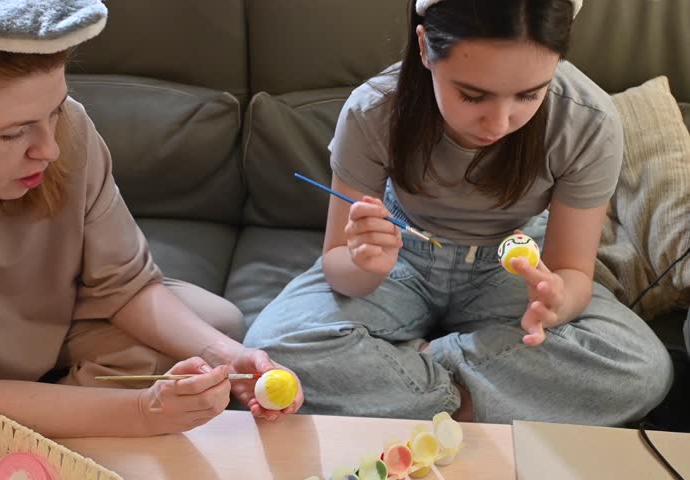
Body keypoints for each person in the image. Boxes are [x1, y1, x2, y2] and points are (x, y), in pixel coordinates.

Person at [0, 0, 302, 466]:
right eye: (12, 134)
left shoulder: (66, 128)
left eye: (55, 111)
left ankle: (39, 418)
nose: (50, 148)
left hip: (31, 333)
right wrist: (144, 411)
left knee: (213, 326)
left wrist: (233, 357)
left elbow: (125, 284)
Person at [245, 0, 671, 426]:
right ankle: (473, 401)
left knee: (643, 367)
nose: (499, 123)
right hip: (404, 250)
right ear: (426, 48)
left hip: (511, 264)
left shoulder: (588, 121)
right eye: (472, 94)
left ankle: (414, 377)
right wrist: (364, 265)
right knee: (272, 347)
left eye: (529, 94)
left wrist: (558, 302)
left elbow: (572, 272)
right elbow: (337, 263)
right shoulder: (373, 110)